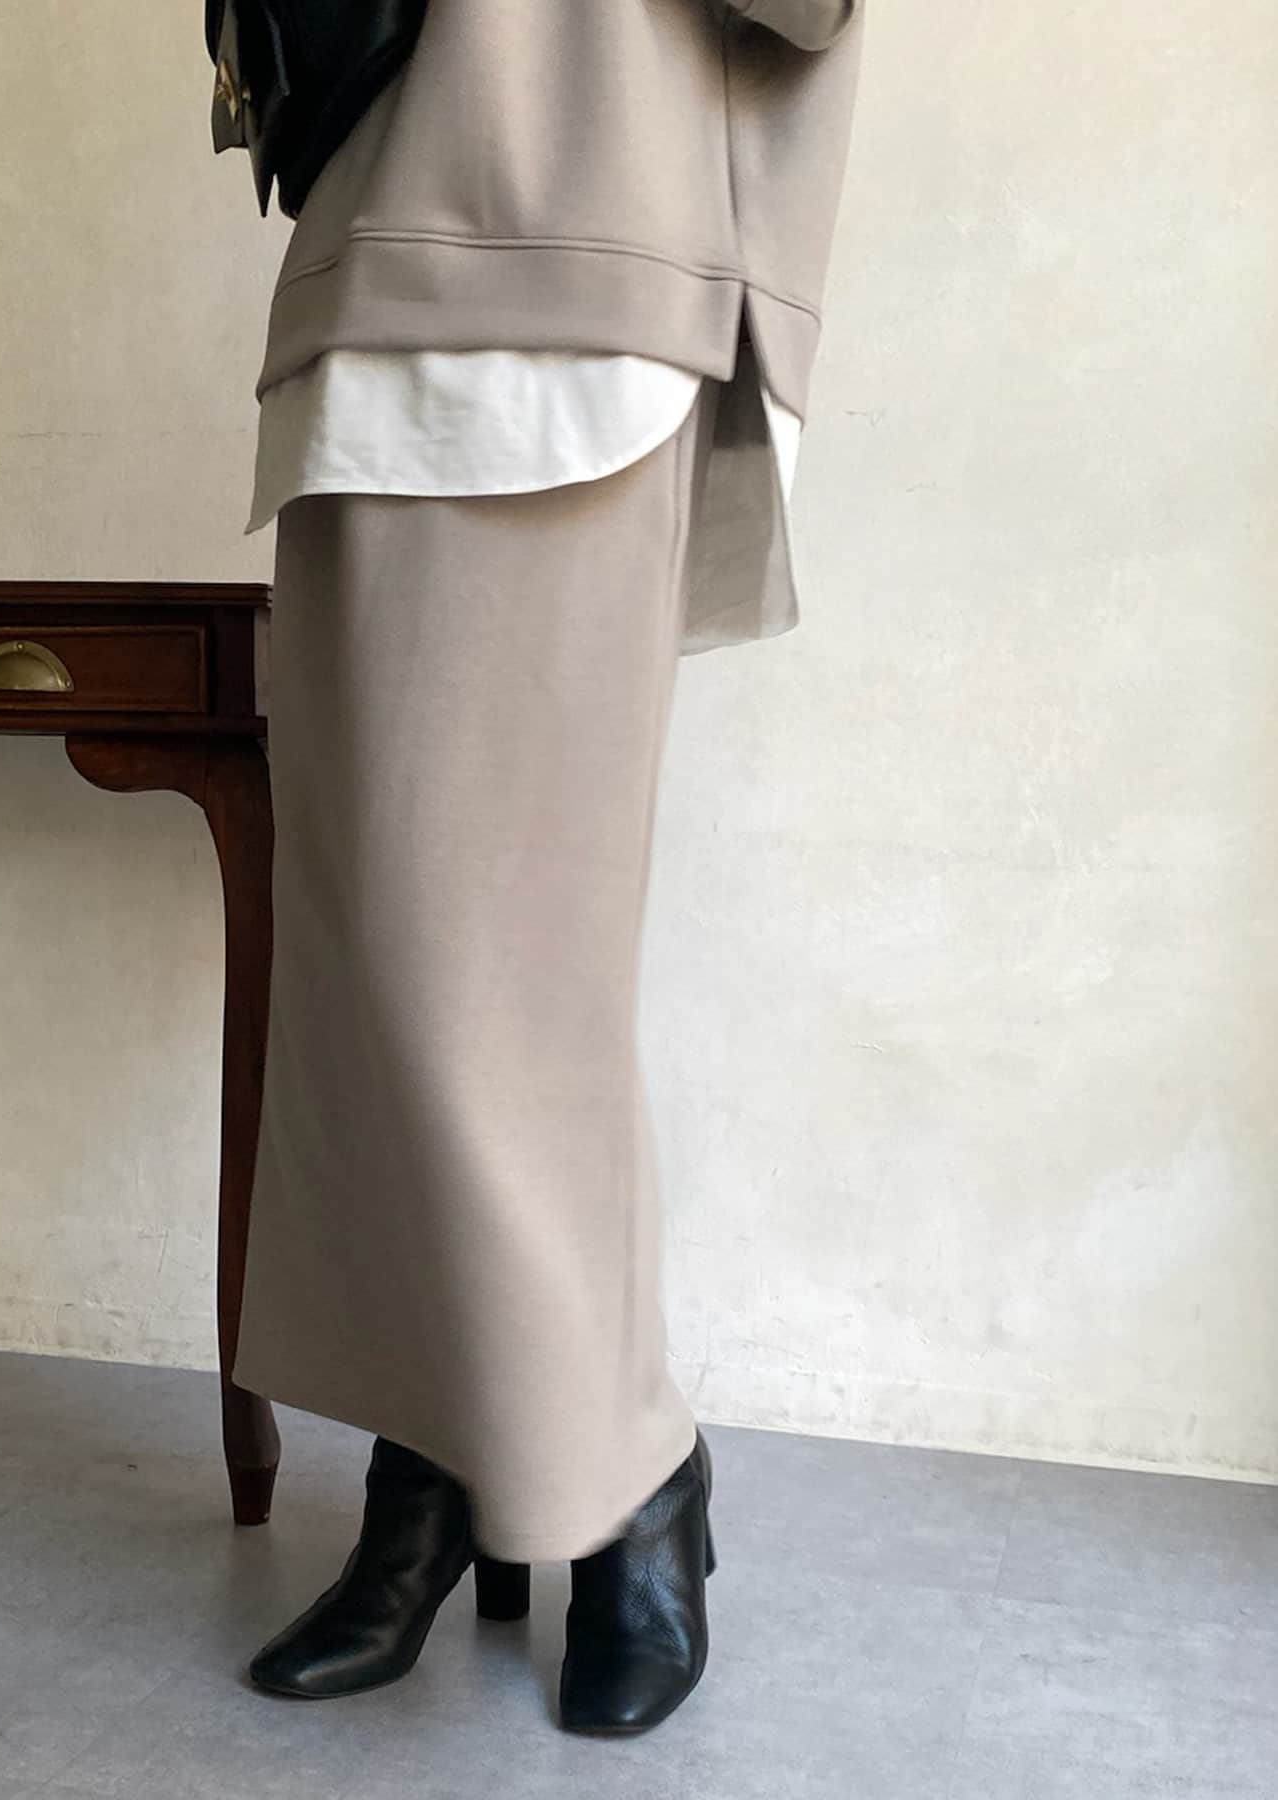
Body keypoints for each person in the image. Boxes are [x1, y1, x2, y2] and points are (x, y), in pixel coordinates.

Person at [208, 0, 865, 1735]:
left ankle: (631, 1478)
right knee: (371, 974)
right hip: (364, 299)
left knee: (500, 979)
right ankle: (434, 1465)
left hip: (575, 287)